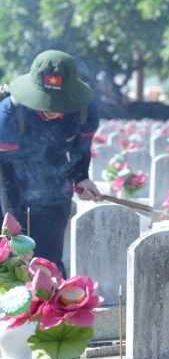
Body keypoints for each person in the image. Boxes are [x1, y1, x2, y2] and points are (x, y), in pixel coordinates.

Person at [0, 50, 102, 273]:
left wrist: (81, 177)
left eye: (60, 102)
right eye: (46, 101)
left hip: (56, 183)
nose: (53, 109)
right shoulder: (9, 112)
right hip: (10, 184)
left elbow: (81, 150)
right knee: (11, 262)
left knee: (49, 262)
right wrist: (16, 233)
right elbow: (6, 176)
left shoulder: (85, 110)